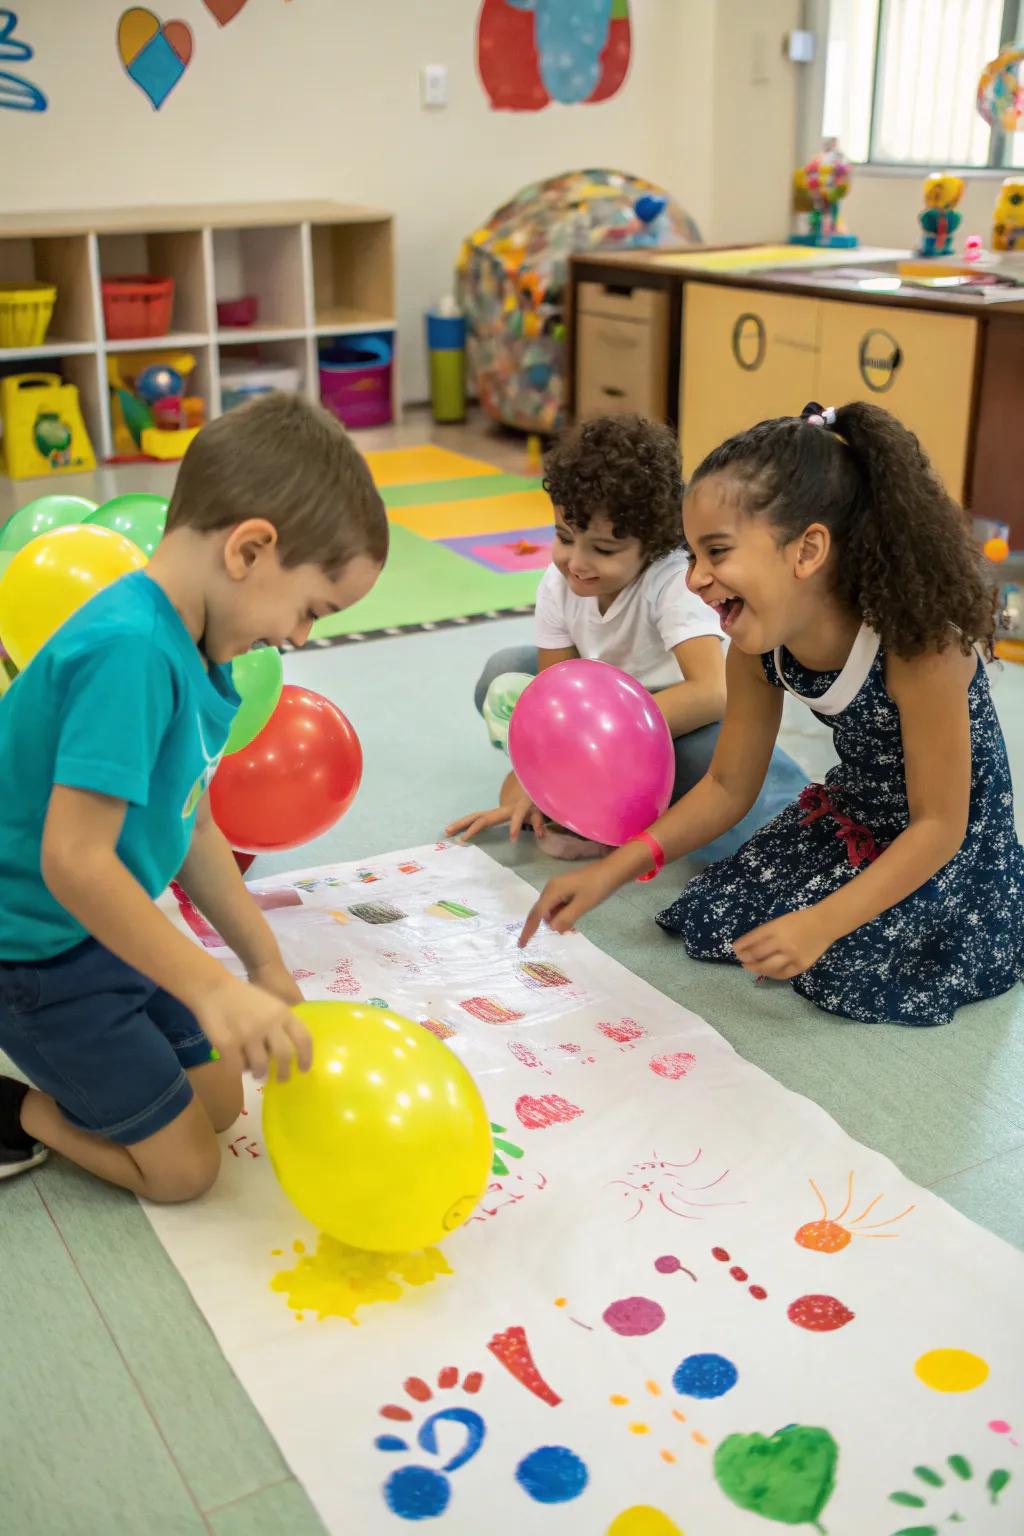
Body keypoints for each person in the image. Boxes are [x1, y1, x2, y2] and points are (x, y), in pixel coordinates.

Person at [519, 401, 1024, 1028]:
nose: (696, 580)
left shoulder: (920, 649)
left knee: (849, 966)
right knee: (717, 916)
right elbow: (729, 786)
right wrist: (611, 871)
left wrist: (823, 921)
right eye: (693, 555)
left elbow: (939, 827)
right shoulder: (756, 646)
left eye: (717, 552)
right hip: (856, 818)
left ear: (807, 549)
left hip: (946, 844)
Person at [0, 394, 387, 1190]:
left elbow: (196, 830)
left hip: (105, 930)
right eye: (312, 608)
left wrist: (261, 963)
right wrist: (208, 986)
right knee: (183, 1173)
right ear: (249, 549)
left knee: (218, 1104)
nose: (299, 637)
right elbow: (74, 861)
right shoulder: (129, 652)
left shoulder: (197, 652)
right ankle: (15, 1110)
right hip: (32, 953)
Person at [447, 414, 806, 859]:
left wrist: (609, 732)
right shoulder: (559, 584)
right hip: (600, 719)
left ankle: (772, 798)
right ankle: (595, 805)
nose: (576, 562)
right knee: (503, 676)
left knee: (740, 797)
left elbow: (713, 692)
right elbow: (551, 695)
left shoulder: (673, 581)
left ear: (651, 544)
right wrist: (534, 780)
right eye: (564, 537)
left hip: (675, 719)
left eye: (603, 550)